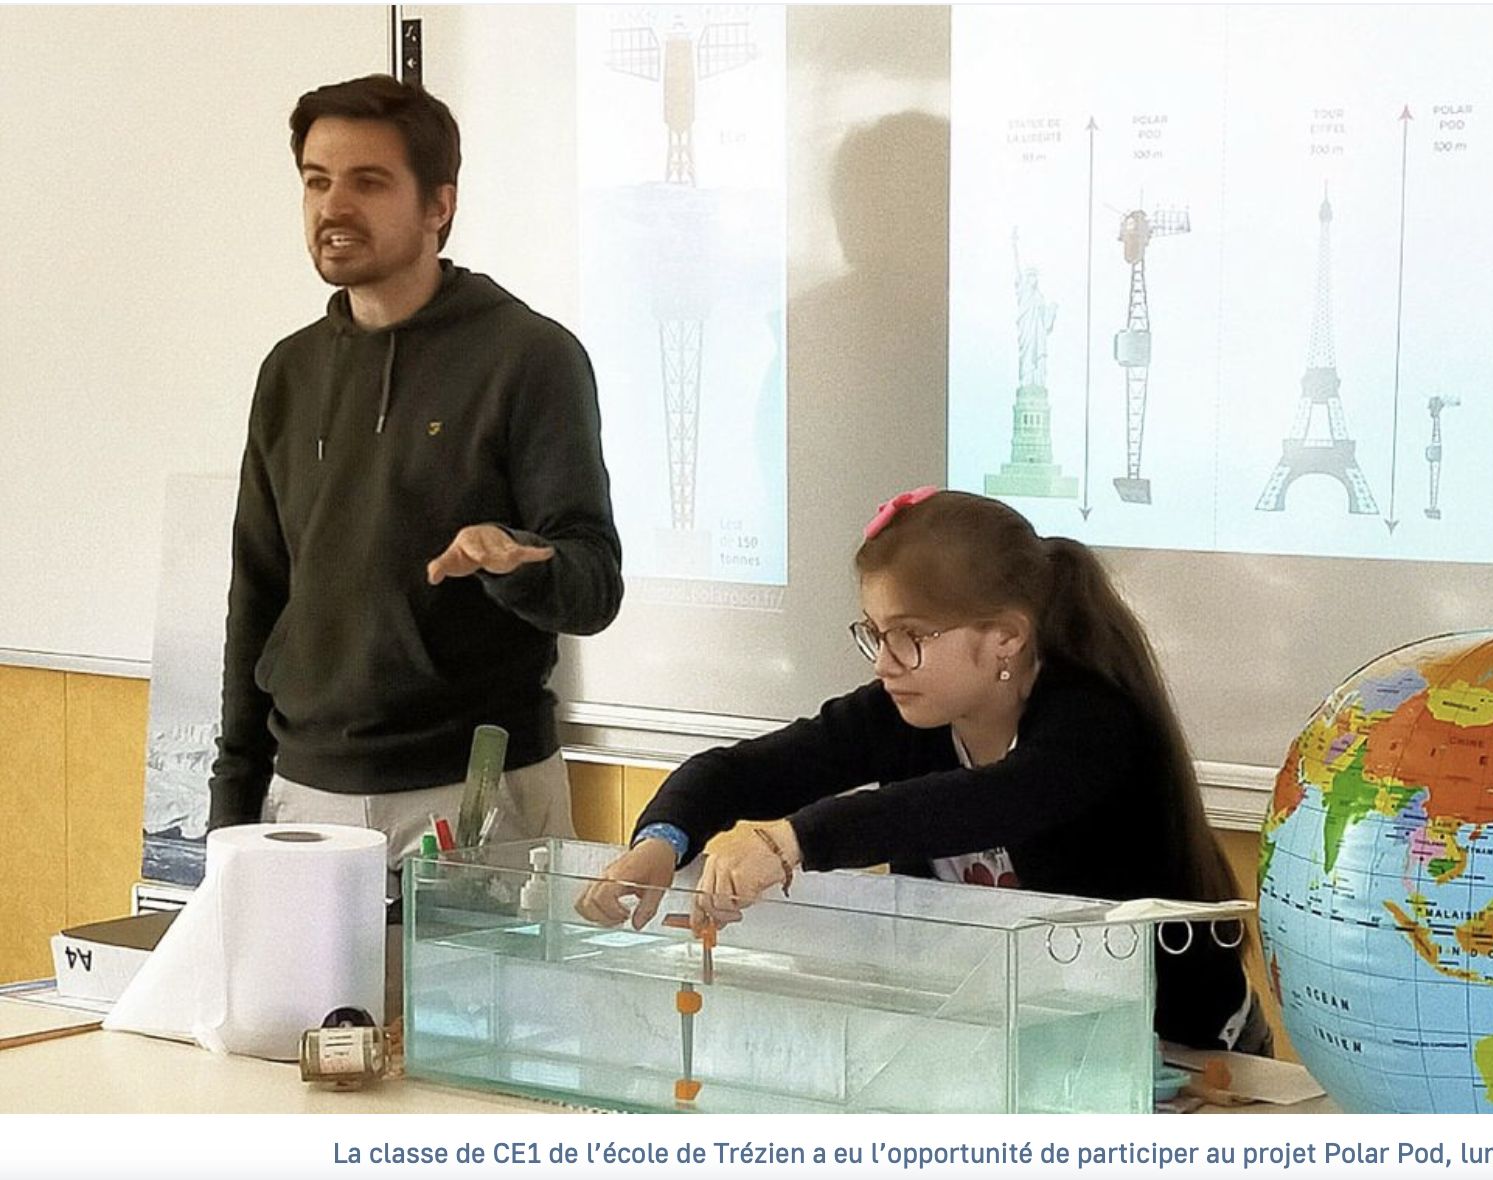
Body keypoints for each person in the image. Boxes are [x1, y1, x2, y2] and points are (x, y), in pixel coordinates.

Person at [577, 488, 1268, 1052]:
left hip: (1182, 1045)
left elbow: (989, 802)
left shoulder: (1093, 723)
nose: (885, 663)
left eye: (910, 636)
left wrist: (791, 842)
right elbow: (735, 772)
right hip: (1020, 1041)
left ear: (1005, 637)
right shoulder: (898, 711)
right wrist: (661, 843)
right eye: (875, 634)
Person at [208, 74, 624, 872]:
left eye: (368, 183)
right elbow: (257, 594)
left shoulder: (529, 357)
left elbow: (594, 584)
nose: (334, 207)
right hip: (304, 799)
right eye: (317, 182)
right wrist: (232, 807)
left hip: (476, 797)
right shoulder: (289, 371)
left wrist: (517, 561)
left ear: (439, 206)